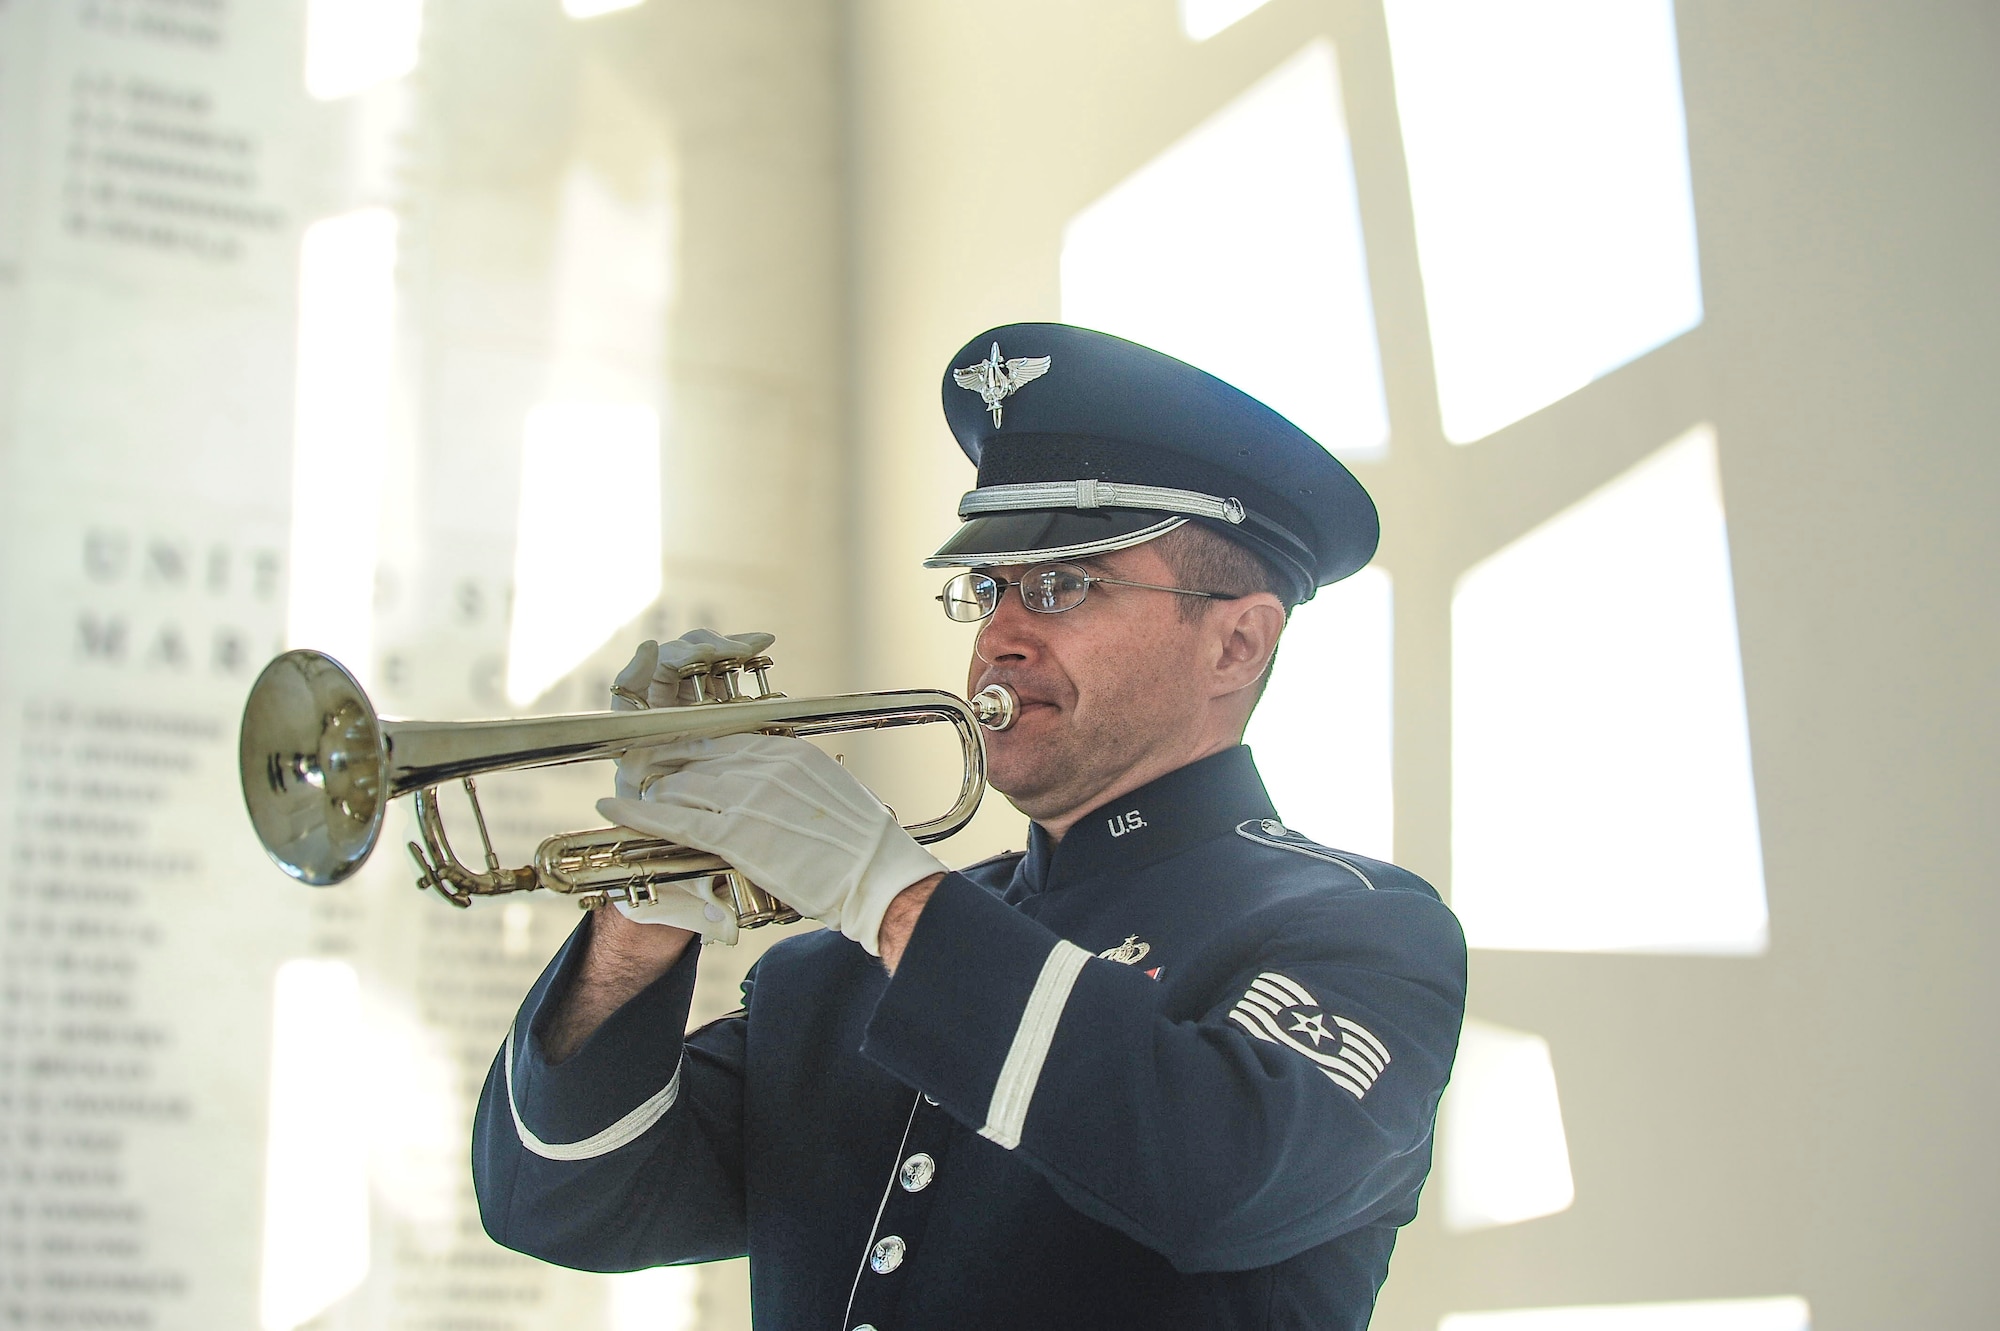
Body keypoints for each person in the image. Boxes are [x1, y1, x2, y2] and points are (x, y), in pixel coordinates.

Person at [472, 323, 1467, 1330]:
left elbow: (1220, 1175)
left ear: (1235, 641)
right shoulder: (828, 977)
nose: (998, 634)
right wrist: (647, 914)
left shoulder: (1363, 929)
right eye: (988, 588)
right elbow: (560, 1202)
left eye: (1063, 584)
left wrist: (887, 892)